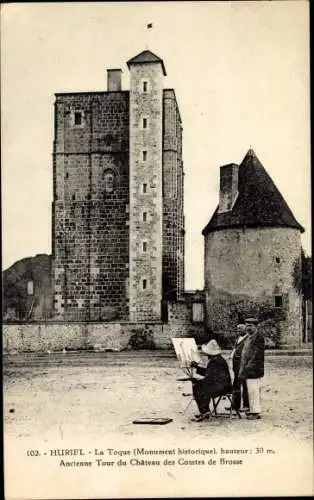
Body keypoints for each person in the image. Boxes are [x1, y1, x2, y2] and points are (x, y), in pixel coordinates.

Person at [190, 339, 232, 421]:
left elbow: (209, 378)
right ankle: (205, 411)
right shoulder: (218, 359)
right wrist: (197, 367)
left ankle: (205, 411)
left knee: (198, 388)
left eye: (207, 353)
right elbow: (209, 374)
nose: (205, 354)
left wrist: (197, 380)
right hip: (223, 385)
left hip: (222, 387)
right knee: (200, 386)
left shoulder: (215, 361)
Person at [238, 317, 265, 420]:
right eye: (247, 325)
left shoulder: (258, 337)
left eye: (250, 326)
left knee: (254, 390)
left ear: (255, 326)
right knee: (251, 390)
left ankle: (255, 412)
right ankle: (253, 410)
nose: (248, 328)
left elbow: (256, 354)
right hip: (248, 368)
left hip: (254, 369)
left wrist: (249, 366)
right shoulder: (249, 337)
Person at [229, 324, 249, 412]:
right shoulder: (238, 339)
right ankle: (234, 405)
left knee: (245, 385)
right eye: (237, 329)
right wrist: (231, 355)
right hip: (236, 365)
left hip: (243, 366)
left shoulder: (248, 339)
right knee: (236, 384)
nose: (238, 330)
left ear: (245, 329)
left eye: (240, 329)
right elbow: (235, 349)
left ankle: (246, 405)